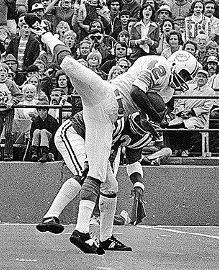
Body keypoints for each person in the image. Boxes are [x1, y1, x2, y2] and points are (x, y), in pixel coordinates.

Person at [24, 13, 197, 254]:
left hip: (106, 117)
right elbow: (137, 93)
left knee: (99, 177)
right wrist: (158, 117)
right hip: (106, 96)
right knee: (71, 66)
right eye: (186, 74)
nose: (184, 80)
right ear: (177, 62)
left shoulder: (163, 97)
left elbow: (137, 144)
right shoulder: (161, 65)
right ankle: (43, 31)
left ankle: (83, 232)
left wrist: (155, 120)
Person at [35, 111, 157, 250]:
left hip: (96, 141)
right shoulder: (115, 120)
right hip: (75, 133)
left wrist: (138, 184)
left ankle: (106, 239)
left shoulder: (139, 133)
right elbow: (96, 140)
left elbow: (133, 160)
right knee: (87, 173)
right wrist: (90, 161)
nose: (138, 135)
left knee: (110, 186)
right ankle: (56, 219)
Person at [0, 62, 23, 161]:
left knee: (8, 132)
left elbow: (18, 95)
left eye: (4, 71)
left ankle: (8, 154)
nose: (2, 73)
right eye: (0, 71)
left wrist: (12, 102)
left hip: (8, 110)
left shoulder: (10, 83)